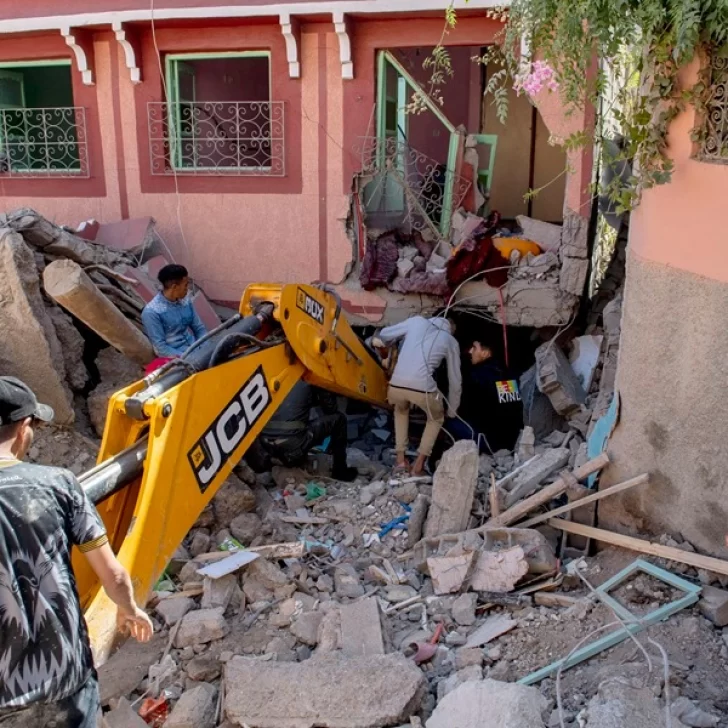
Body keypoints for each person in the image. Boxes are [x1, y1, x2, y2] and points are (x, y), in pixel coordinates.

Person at [0, 377, 153, 728]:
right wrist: (129, 609)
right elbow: (112, 574)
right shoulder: (58, 485)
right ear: (24, 428)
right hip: (65, 683)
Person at [375, 316, 461, 476]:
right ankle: (418, 466)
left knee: (400, 412)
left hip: (396, 385)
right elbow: (455, 379)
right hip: (423, 388)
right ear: (450, 329)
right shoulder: (450, 340)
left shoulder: (417, 322)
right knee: (436, 418)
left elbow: (385, 334)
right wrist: (452, 410)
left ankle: (400, 461)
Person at [247, 381, 358, 482]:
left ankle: (272, 462)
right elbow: (330, 409)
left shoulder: (273, 375)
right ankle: (340, 471)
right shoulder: (311, 374)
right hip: (293, 451)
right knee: (339, 419)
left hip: (266, 447)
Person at [443, 339, 522, 453]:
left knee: (447, 420)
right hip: (512, 441)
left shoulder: (477, 376)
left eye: (475, 348)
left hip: (488, 441)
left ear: (485, 353)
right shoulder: (509, 374)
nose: (470, 351)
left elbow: (467, 409)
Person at [141, 264, 207, 363]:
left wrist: (205, 348)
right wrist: (189, 359)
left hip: (197, 349)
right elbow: (161, 348)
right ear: (174, 287)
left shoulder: (186, 301)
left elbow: (199, 328)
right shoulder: (152, 312)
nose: (187, 289)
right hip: (179, 361)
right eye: (185, 285)